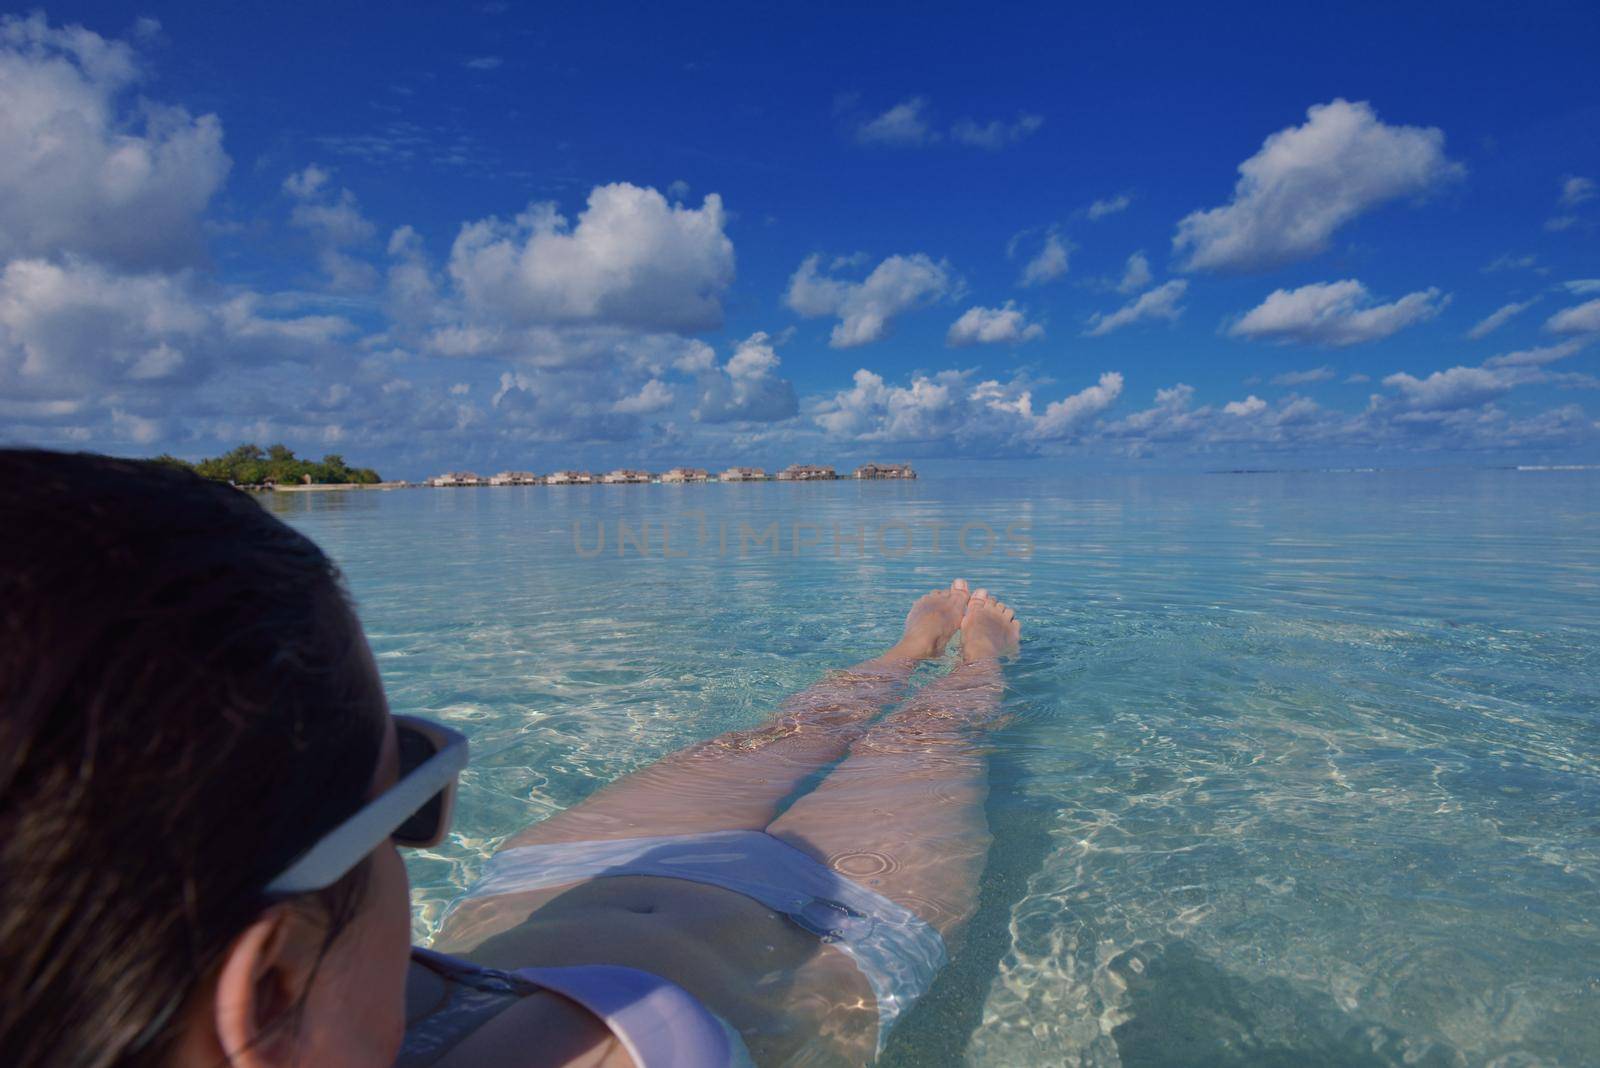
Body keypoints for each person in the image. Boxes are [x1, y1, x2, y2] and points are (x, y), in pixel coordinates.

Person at [0, 450, 1021, 1068]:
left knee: (801, 729)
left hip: (569, 870)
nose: (422, 817)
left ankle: (899, 653)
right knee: (943, 729)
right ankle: (971, 661)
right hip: (822, 922)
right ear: (268, 989)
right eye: (406, 800)